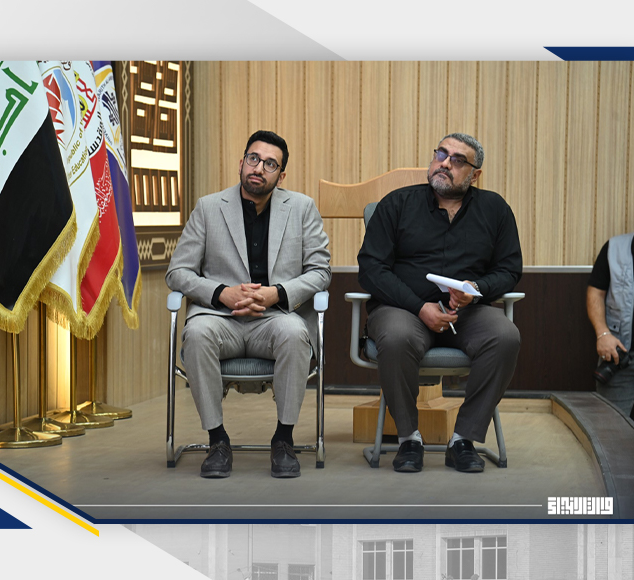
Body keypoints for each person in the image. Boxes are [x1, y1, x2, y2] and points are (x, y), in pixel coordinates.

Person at [166, 130, 331, 478]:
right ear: (241, 163)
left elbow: (320, 272)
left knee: (294, 334)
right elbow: (177, 272)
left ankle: (283, 440)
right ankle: (217, 441)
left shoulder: (302, 208)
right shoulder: (209, 208)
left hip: (274, 317)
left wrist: (277, 293)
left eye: (270, 164)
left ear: (281, 176)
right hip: (219, 317)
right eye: (254, 159)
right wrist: (220, 292)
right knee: (196, 333)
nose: (259, 168)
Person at [358, 132, 522, 473]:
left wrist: (477, 288)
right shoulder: (397, 204)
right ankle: (409, 439)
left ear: (475, 175)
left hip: (467, 312)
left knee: (505, 336)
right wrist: (419, 307)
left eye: (457, 160)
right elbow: (372, 268)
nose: (445, 164)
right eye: (441, 154)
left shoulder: (495, 209)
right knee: (397, 336)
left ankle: (462, 439)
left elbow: (509, 270)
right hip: (404, 310)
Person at [586, 231, 634, 419]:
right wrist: (603, 334)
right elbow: (595, 293)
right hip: (620, 356)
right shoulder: (615, 248)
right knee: (608, 425)